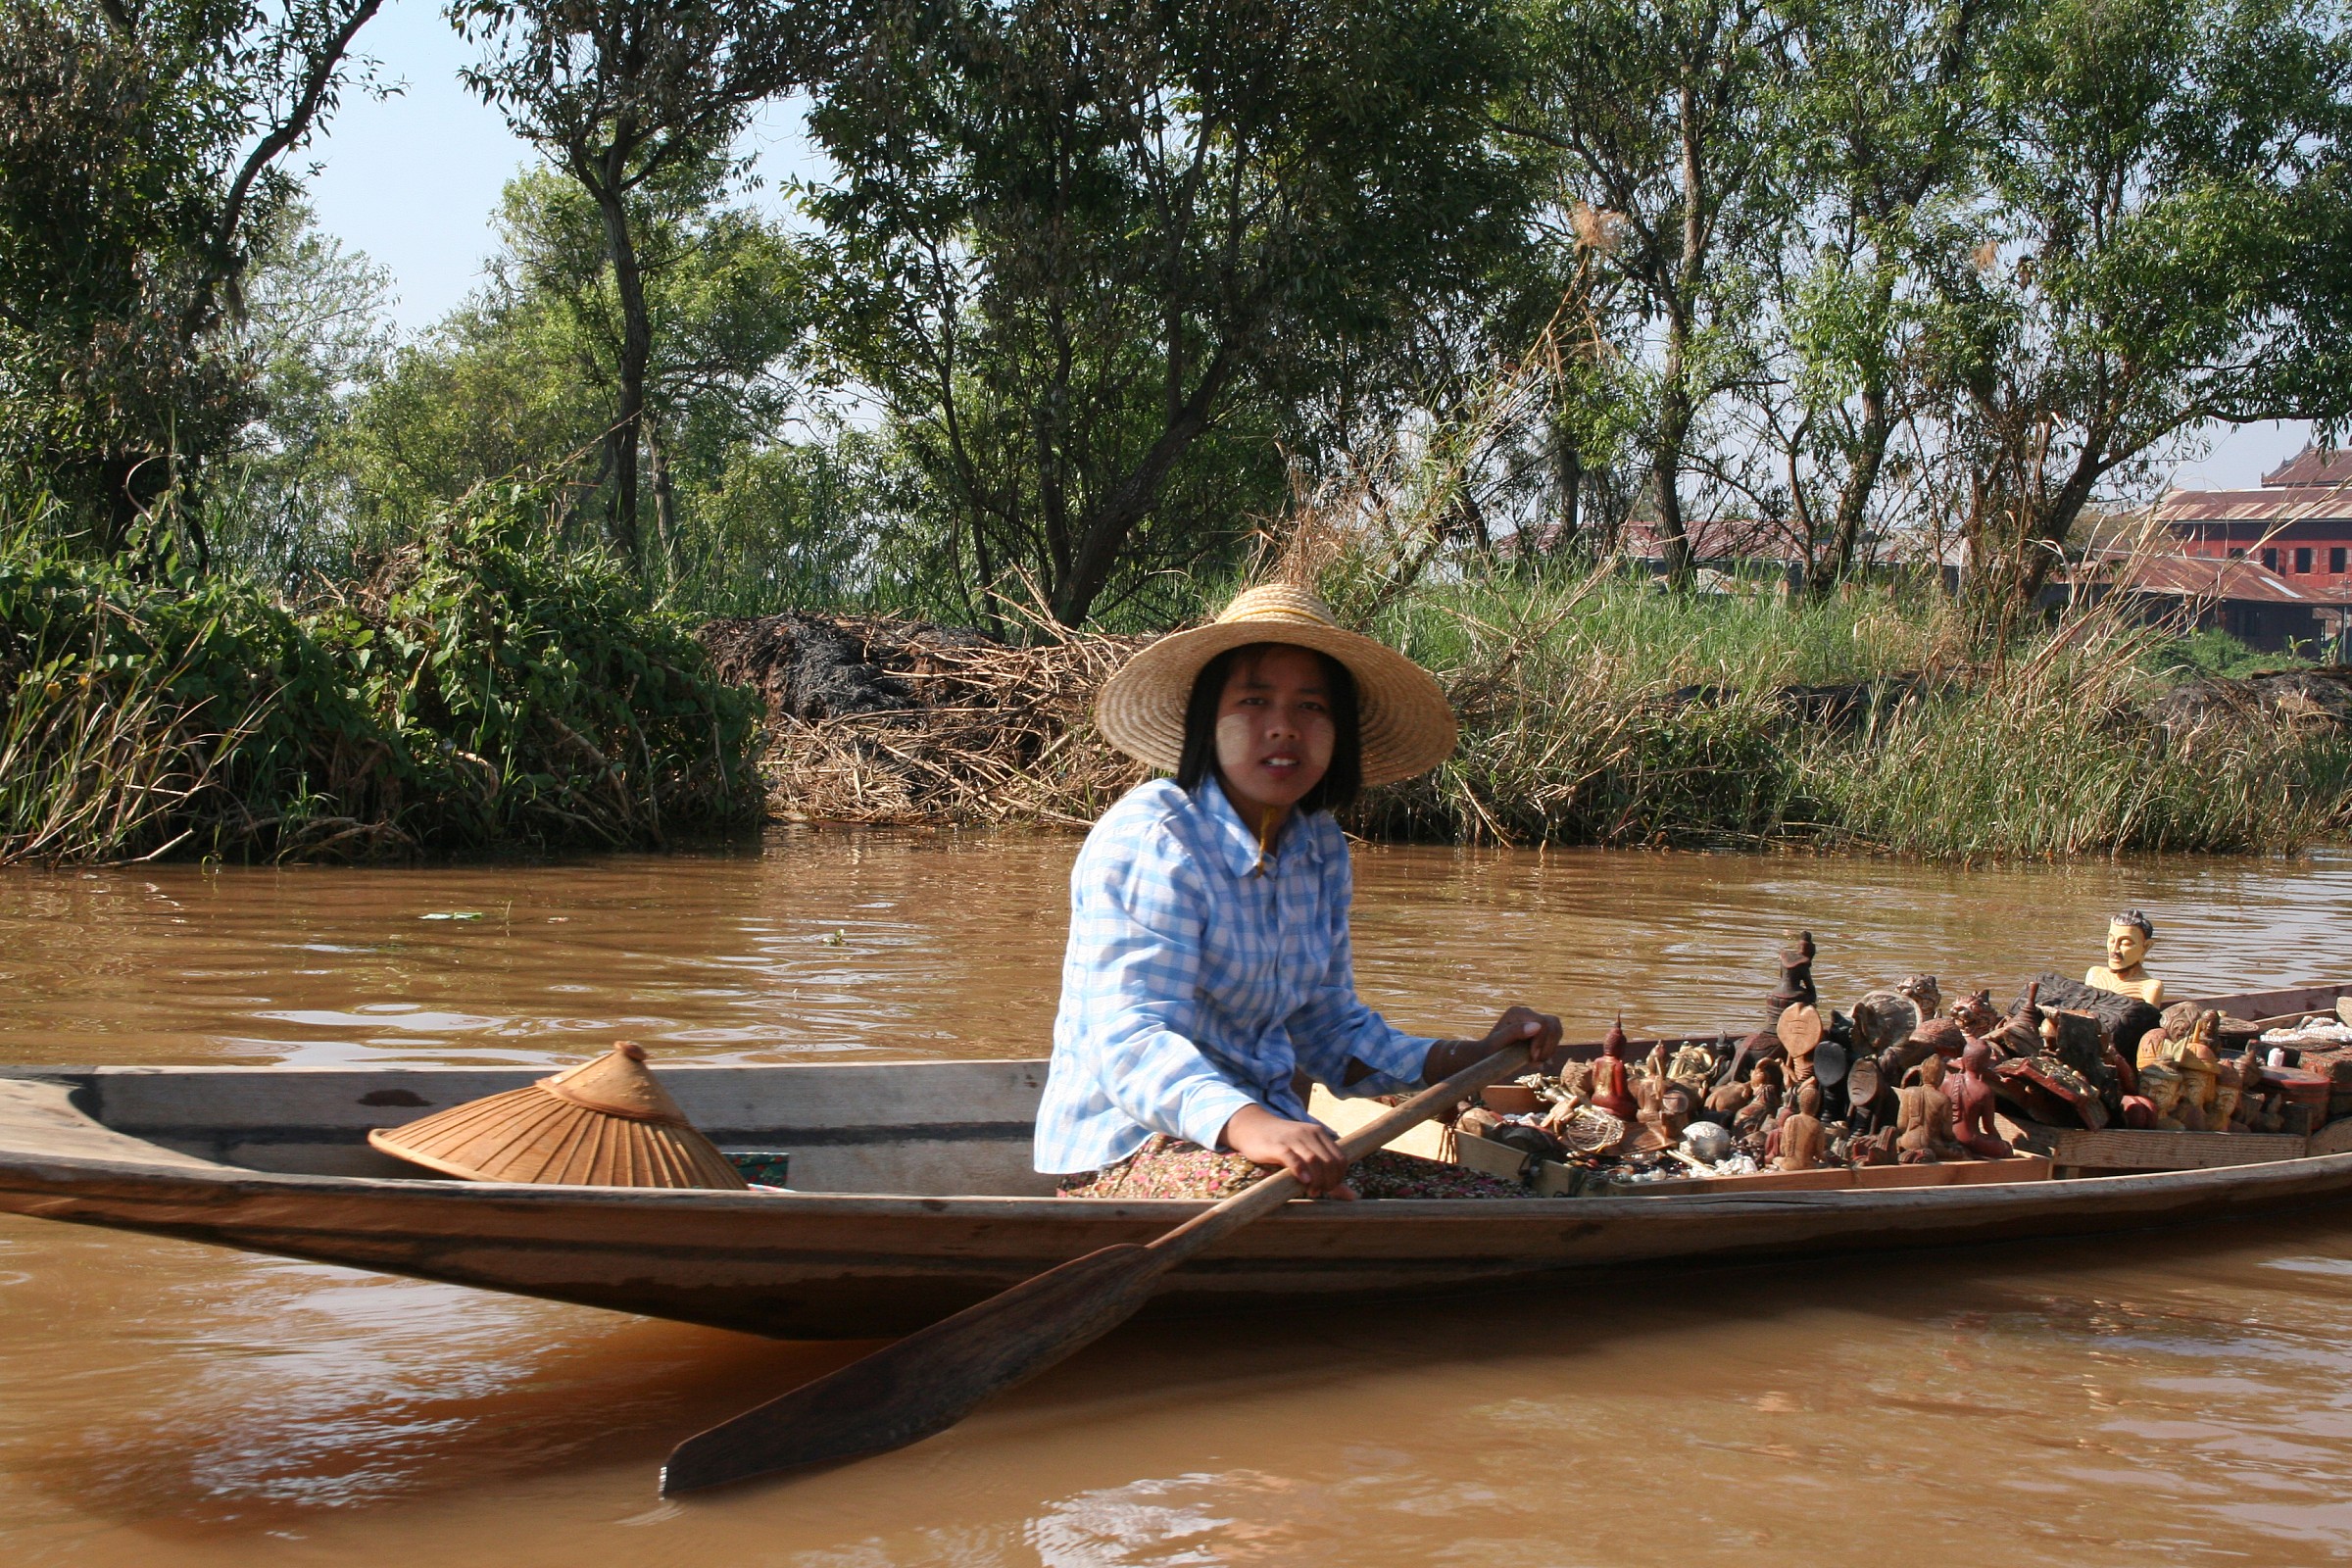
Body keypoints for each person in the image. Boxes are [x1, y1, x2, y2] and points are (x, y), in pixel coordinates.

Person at [1037, 583, 1564, 1200]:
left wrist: (1468, 1057)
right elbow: (1127, 1036)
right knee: (1322, 1209)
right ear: (1210, 721)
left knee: (1492, 1200)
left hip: (1276, 1144)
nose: (1284, 728)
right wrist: (1247, 1124)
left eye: (1312, 707)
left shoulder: (1317, 848)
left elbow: (1330, 1032)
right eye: (1254, 701)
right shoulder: (1155, 838)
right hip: (1132, 1148)